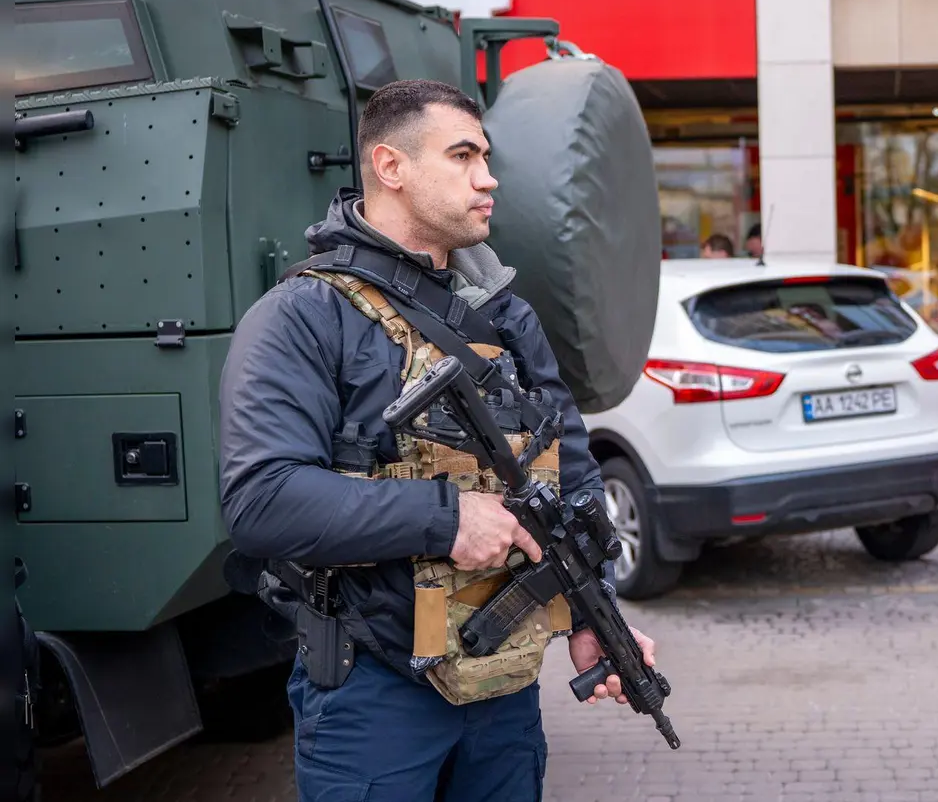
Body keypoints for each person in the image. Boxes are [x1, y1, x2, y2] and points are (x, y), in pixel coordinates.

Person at [217, 79, 657, 800]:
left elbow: (571, 477)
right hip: (371, 693)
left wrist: (593, 616)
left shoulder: (507, 318)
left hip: (501, 690)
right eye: (463, 156)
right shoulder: (303, 315)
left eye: (486, 157)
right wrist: (447, 519)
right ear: (391, 166)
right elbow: (261, 500)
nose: (489, 178)